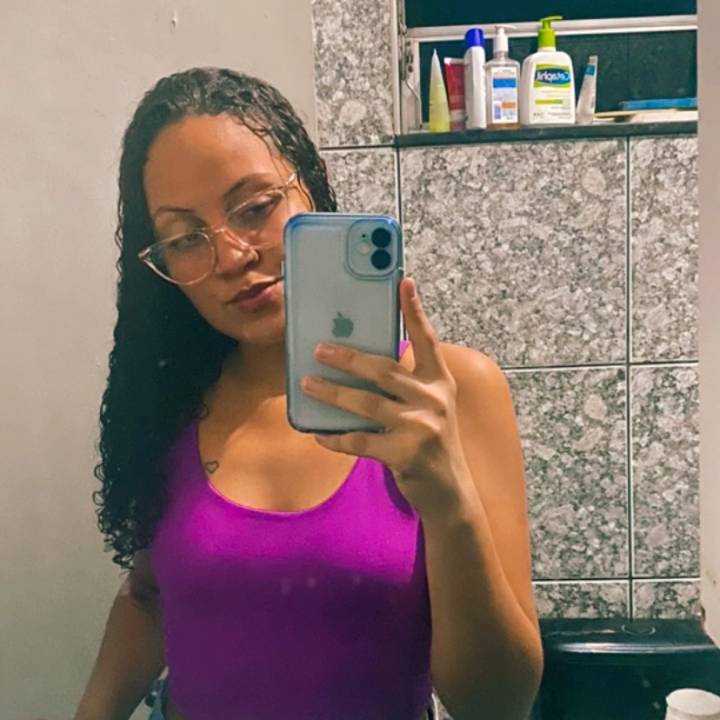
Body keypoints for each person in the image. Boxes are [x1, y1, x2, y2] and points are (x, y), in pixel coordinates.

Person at [74, 67, 543, 720]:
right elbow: (150, 596)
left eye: (256, 208)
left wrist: (449, 504)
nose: (233, 256)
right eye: (185, 239)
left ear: (312, 185)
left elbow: (500, 704)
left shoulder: (452, 394)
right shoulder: (174, 398)